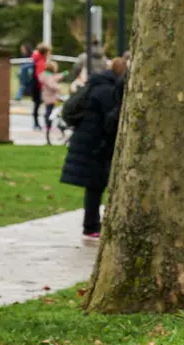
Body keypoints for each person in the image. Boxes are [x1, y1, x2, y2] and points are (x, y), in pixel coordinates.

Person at [60, 57, 127, 243]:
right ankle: (91, 226)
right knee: (96, 186)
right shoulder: (108, 91)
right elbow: (109, 121)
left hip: (88, 141)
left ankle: (92, 225)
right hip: (96, 144)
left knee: (95, 186)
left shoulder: (96, 85)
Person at [38, 60, 63, 133]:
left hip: (47, 96)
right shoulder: (49, 76)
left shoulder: (46, 75)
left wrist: (62, 74)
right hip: (51, 97)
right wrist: (58, 87)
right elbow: (51, 84)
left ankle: (48, 125)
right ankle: (49, 125)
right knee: (51, 112)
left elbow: (55, 78)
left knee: (49, 111)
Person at [31, 43, 50, 132]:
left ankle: (36, 123)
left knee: (37, 105)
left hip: (35, 86)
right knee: (38, 105)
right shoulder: (41, 62)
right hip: (38, 87)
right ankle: (37, 124)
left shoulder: (37, 60)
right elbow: (40, 76)